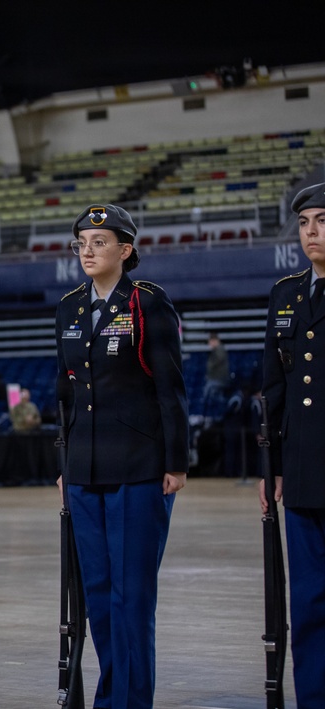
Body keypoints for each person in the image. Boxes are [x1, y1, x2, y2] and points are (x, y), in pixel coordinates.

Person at [55, 203, 188, 709]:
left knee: (131, 599)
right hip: (85, 469)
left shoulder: (148, 303)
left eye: (100, 242)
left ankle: (130, 702)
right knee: (100, 598)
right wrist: (64, 467)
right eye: (81, 243)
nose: (87, 251)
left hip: (139, 466)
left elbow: (170, 389)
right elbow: (64, 395)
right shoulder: (69, 307)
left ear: (126, 250)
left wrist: (176, 463)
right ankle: (111, 697)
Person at [261, 181, 325, 706]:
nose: (312, 233)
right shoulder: (287, 295)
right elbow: (275, 390)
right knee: (307, 602)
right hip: (302, 474)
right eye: (305, 224)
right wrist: (271, 470)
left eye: (322, 221)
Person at [203, 331, 231, 421]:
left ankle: (215, 415)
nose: (209, 344)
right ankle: (213, 416)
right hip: (215, 379)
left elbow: (213, 364)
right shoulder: (215, 351)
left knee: (208, 389)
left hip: (220, 379)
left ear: (214, 340)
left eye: (210, 341)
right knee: (212, 394)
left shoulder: (219, 350)